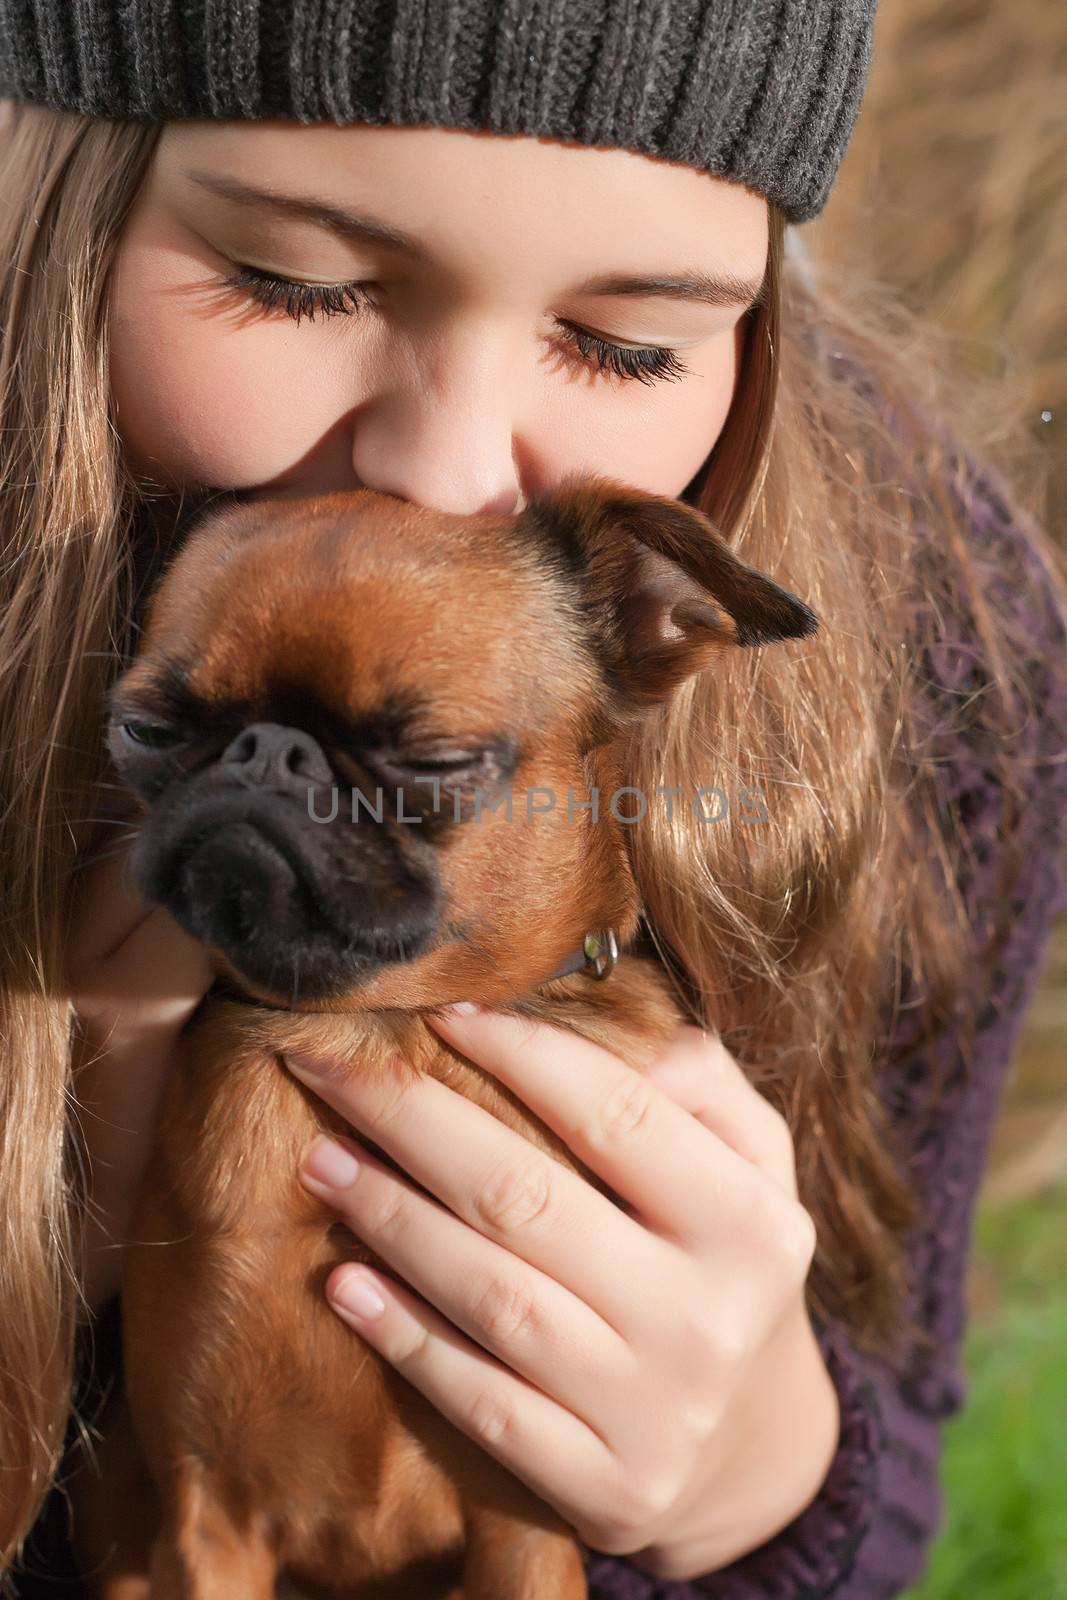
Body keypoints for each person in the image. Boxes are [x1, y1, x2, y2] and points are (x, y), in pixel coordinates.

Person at [0, 3, 1065, 1595]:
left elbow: (890, 1402)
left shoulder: (936, 635)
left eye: (629, 343)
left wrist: (759, 1481)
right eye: (298, 283)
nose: (448, 464)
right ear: (52, 190)